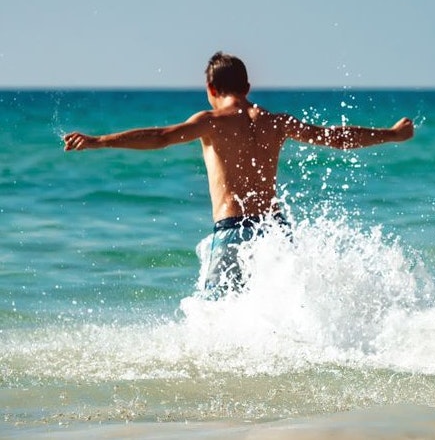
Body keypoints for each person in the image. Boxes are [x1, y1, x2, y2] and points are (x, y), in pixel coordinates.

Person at [63, 51, 415, 297]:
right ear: (247, 87)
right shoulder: (277, 122)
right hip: (276, 233)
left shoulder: (211, 122)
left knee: (213, 319)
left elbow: (161, 137)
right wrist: (392, 134)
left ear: (212, 90)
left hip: (233, 233)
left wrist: (99, 140)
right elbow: (334, 138)